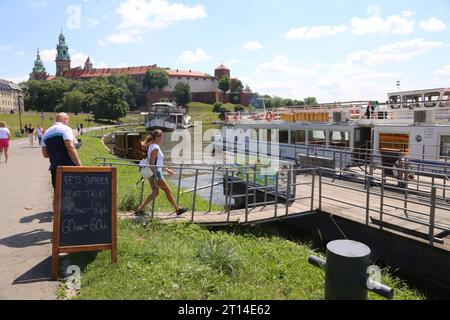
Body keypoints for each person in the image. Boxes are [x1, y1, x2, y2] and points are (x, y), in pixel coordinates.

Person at [135, 130, 188, 216]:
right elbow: (152, 163)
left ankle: (140, 209)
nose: (162, 138)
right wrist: (156, 176)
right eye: (161, 136)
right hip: (156, 174)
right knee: (168, 191)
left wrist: (166, 169)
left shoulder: (152, 146)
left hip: (152, 173)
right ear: (156, 137)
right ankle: (178, 210)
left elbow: (156, 162)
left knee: (155, 192)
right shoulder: (155, 147)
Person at [41, 113, 82, 213]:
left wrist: (55, 153)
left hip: (55, 166)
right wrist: (79, 164)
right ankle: (72, 213)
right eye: (68, 120)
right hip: (69, 166)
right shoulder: (66, 129)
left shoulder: (45, 133)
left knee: (57, 192)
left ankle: (57, 215)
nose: (68, 123)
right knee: (73, 190)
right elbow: (70, 146)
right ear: (64, 119)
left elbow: (45, 154)